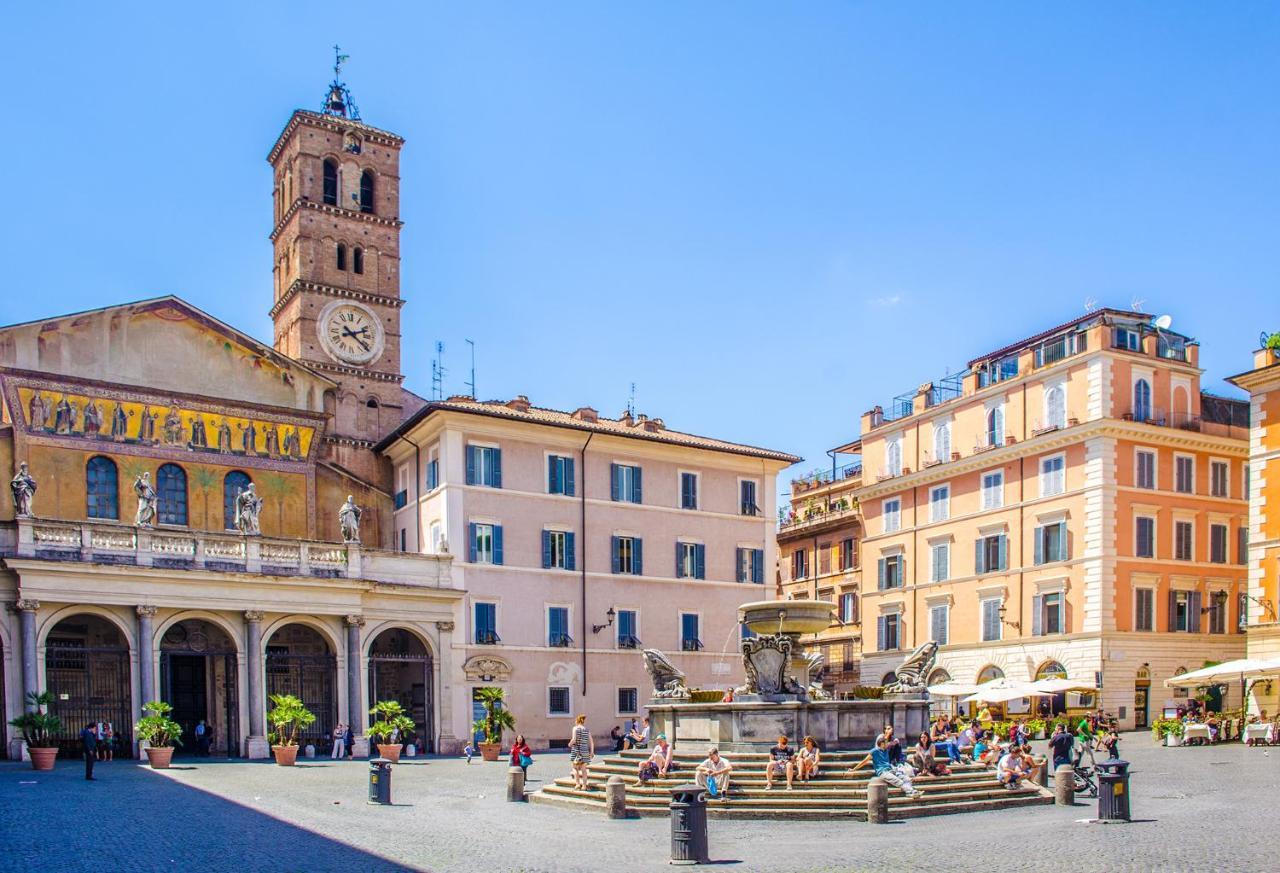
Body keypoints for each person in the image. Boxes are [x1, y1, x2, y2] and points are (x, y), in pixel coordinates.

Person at [852, 736, 922, 799]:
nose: (887, 744)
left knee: (907, 779)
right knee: (898, 781)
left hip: (891, 770)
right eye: (886, 743)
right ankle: (912, 792)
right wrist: (854, 769)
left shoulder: (886, 751)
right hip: (883, 772)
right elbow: (864, 761)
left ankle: (911, 792)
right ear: (882, 744)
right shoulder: (874, 751)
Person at [569, 715, 595, 790]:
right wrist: (592, 752)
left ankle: (577, 784)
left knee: (575, 768)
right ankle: (584, 786)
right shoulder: (587, 729)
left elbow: (574, 739)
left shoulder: (575, 728)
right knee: (584, 769)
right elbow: (592, 742)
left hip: (576, 751)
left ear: (577, 721)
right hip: (585, 751)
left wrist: (569, 744)